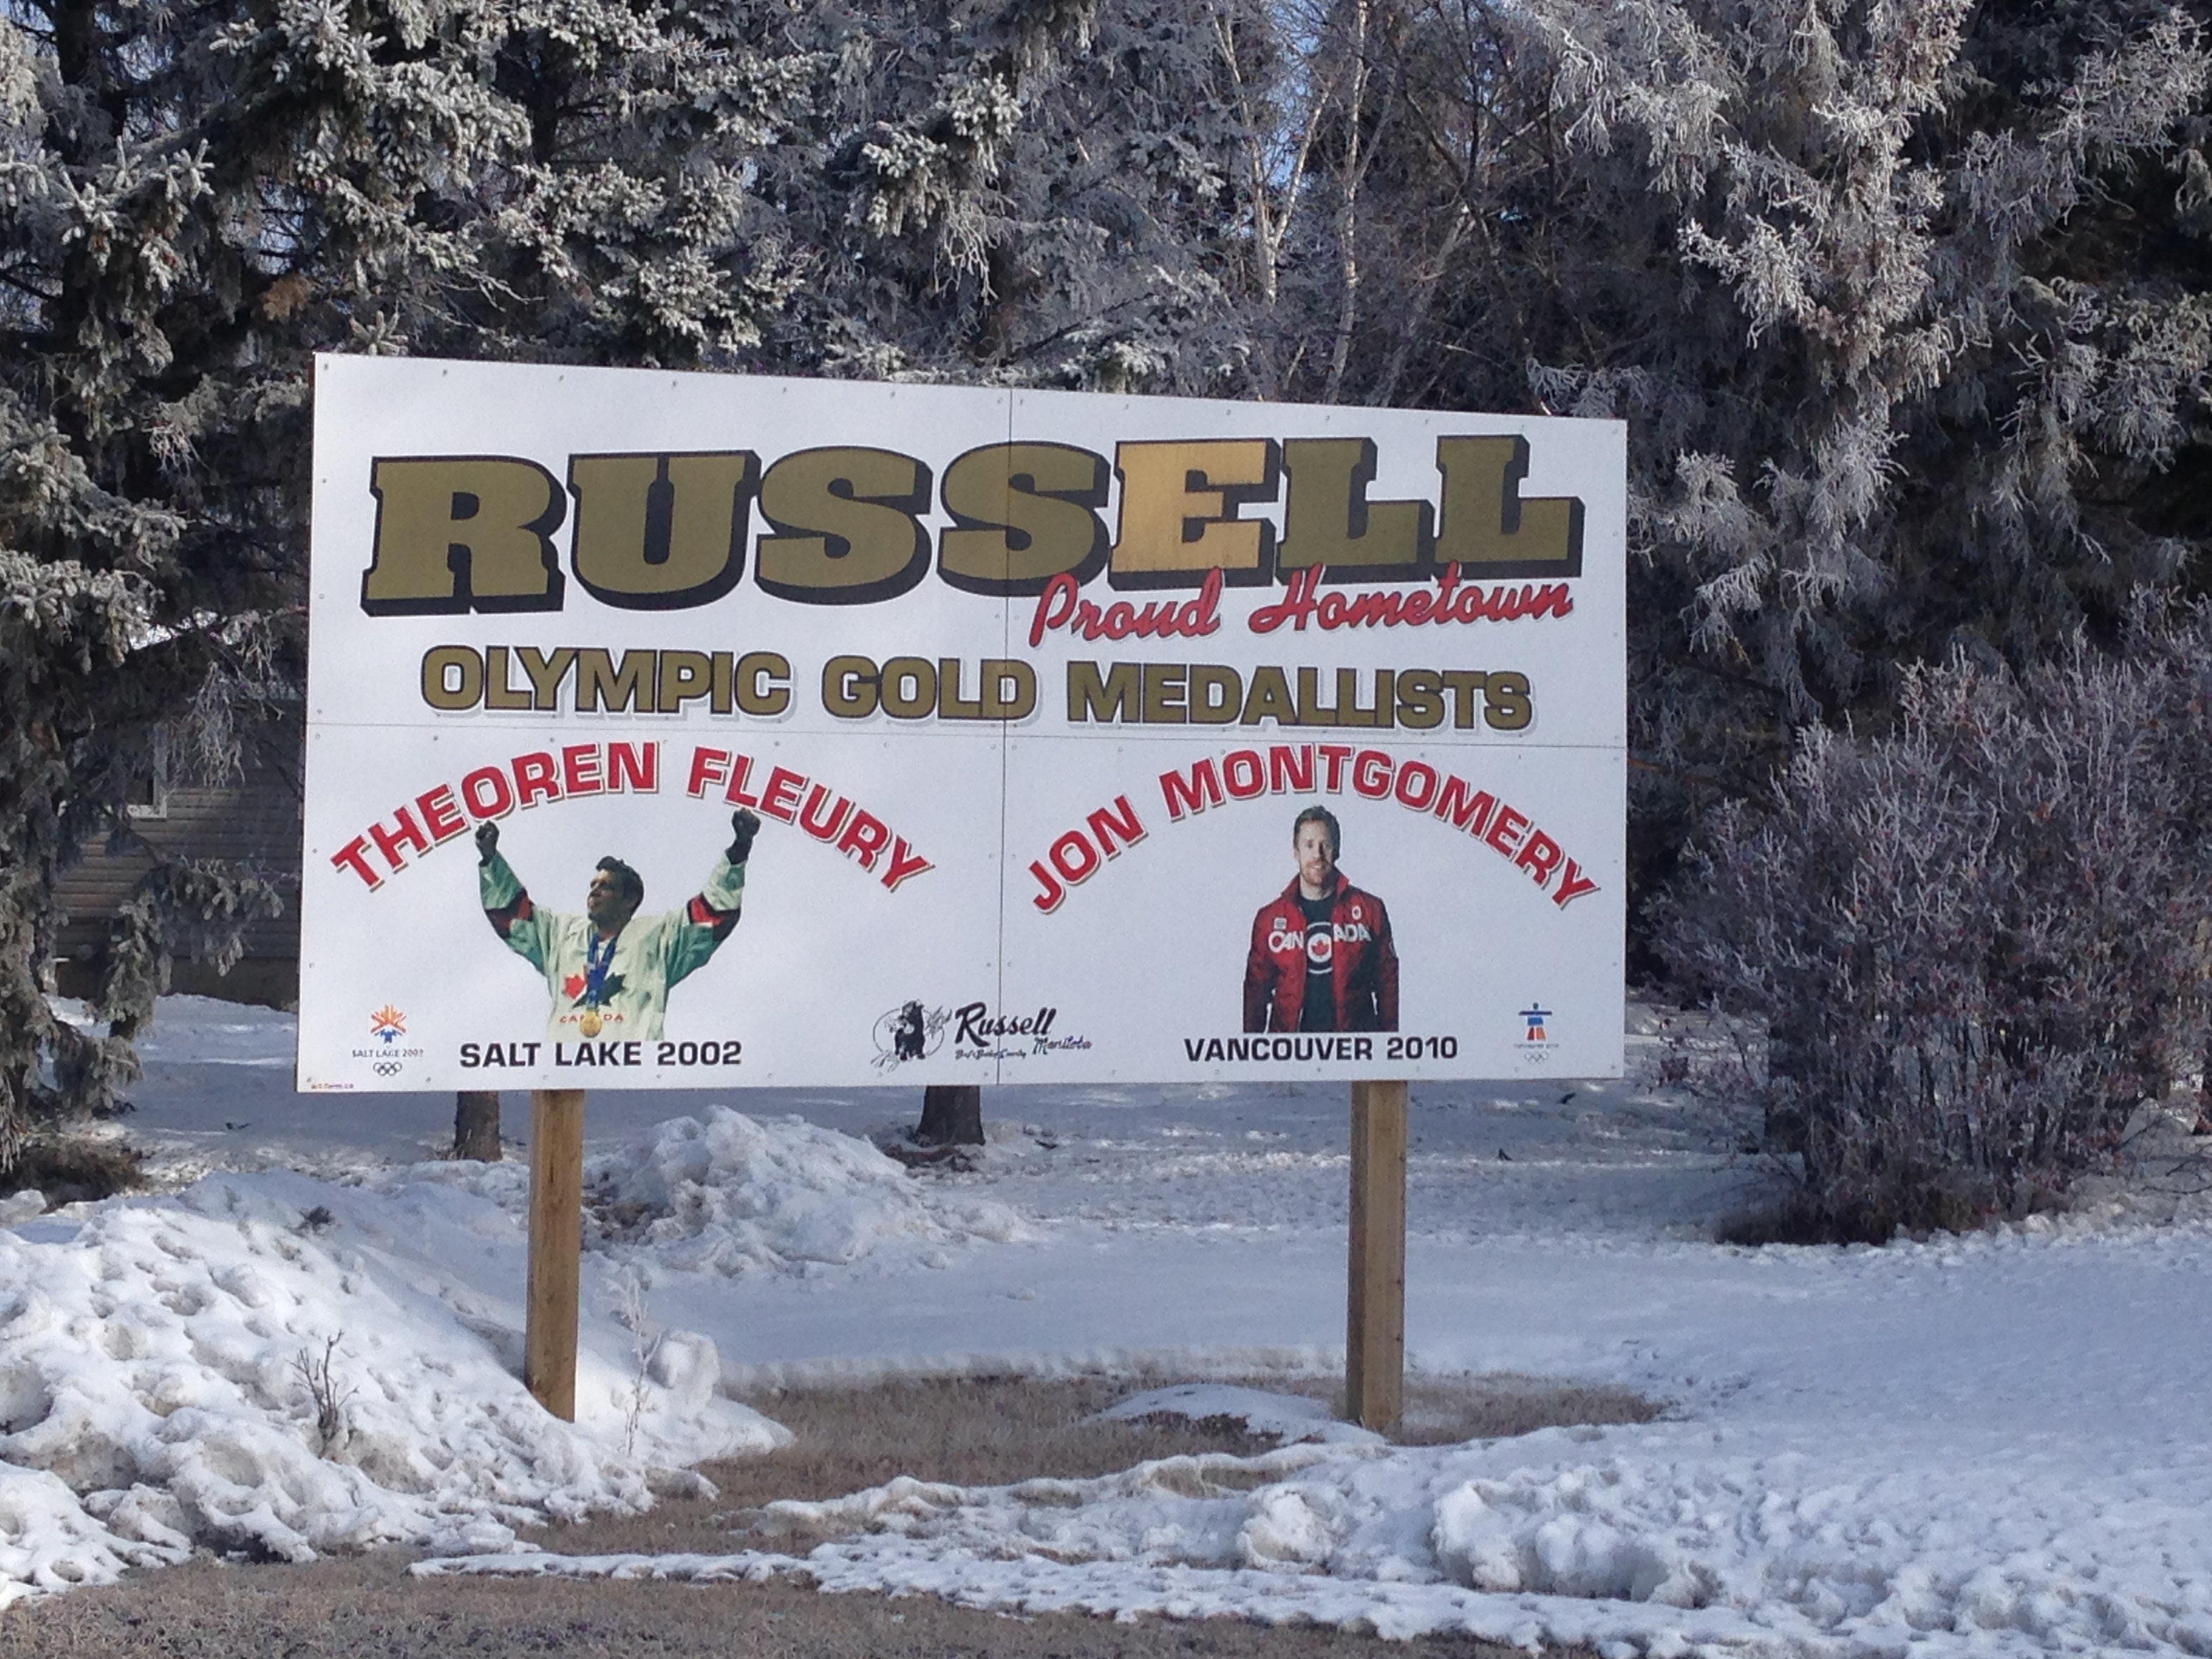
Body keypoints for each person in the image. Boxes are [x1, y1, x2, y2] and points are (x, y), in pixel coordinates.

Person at [474, 809, 760, 1043]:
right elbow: (514, 916)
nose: (594, 891)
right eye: (593, 885)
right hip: (564, 1076)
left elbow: (709, 917)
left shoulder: (658, 937)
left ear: (630, 899)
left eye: (606, 886)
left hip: (632, 1074)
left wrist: (738, 851)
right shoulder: (561, 935)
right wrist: (491, 859)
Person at [1242, 805, 1398, 1033]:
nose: (1318, 855)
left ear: (1337, 850)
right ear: (1296, 852)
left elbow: (1388, 984)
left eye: (1325, 845)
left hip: (1355, 1047)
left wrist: (1388, 1044)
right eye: (1309, 845)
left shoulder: (1371, 910)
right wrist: (1251, 1048)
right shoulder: (1269, 919)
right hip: (1289, 1048)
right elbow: (1256, 992)